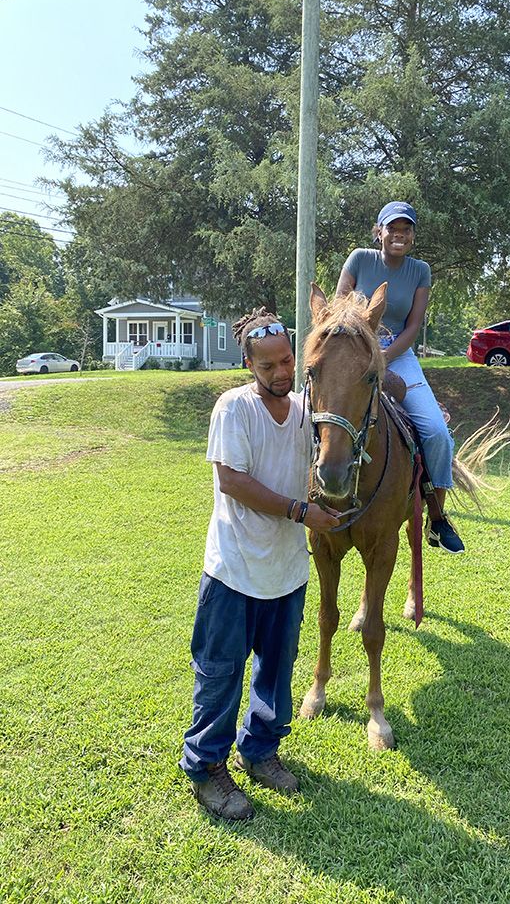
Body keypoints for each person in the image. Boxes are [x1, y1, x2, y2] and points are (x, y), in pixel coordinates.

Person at [180, 309, 340, 822]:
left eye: (287, 360)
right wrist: (301, 511)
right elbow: (233, 481)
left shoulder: (302, 411)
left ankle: (259, 750)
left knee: (276, 670)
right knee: (221, 672)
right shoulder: (233, 408)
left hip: (287, 571)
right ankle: (206, 768)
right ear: (248, 364)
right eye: (267, 364)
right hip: (234, 569)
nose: (280, 372)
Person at [336, 201, 464, 554]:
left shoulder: (420, 271)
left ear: (412, 236)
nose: (399, 234)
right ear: (379, 231)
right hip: (354, 350)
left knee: (437, 432)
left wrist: (384, 359)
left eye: (406, 229)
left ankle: (437, 517)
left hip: (398, 354)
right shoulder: (359, 259)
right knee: (313, 412)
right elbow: (338, 308)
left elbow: (413, 326)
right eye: (393, 228)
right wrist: (364, 353)